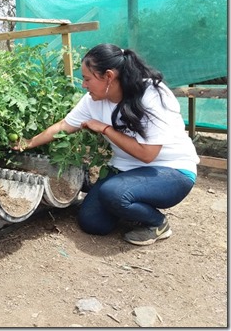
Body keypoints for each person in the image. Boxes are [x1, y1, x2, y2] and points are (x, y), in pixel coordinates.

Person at [12, 43, 199, 246]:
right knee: (93, 223)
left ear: (108, 76)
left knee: (114, 193)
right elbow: (64, 125)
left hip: (171, 171)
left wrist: (105, 129)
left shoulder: (151, 94)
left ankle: (157, 223)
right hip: (125, 170)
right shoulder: (93, 100)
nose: (83, 85)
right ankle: (129, 205)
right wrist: (27, 143)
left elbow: (148, 154)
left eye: (87, 78)